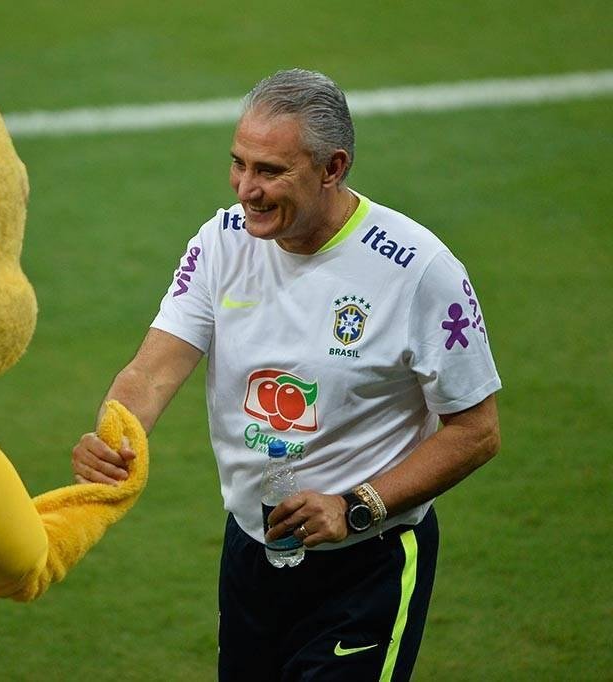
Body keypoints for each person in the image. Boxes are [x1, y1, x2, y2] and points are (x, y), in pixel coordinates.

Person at [71, 68, 501, 681]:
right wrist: (115, 437)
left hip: (368, 565)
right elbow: (151, 370)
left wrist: (357, 507)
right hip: (252, 550)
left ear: (332, 168)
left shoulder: (419, 271)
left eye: (270, 171)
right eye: (238, 164)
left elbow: (476, 430)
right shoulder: (222, 242)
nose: (246, 189)